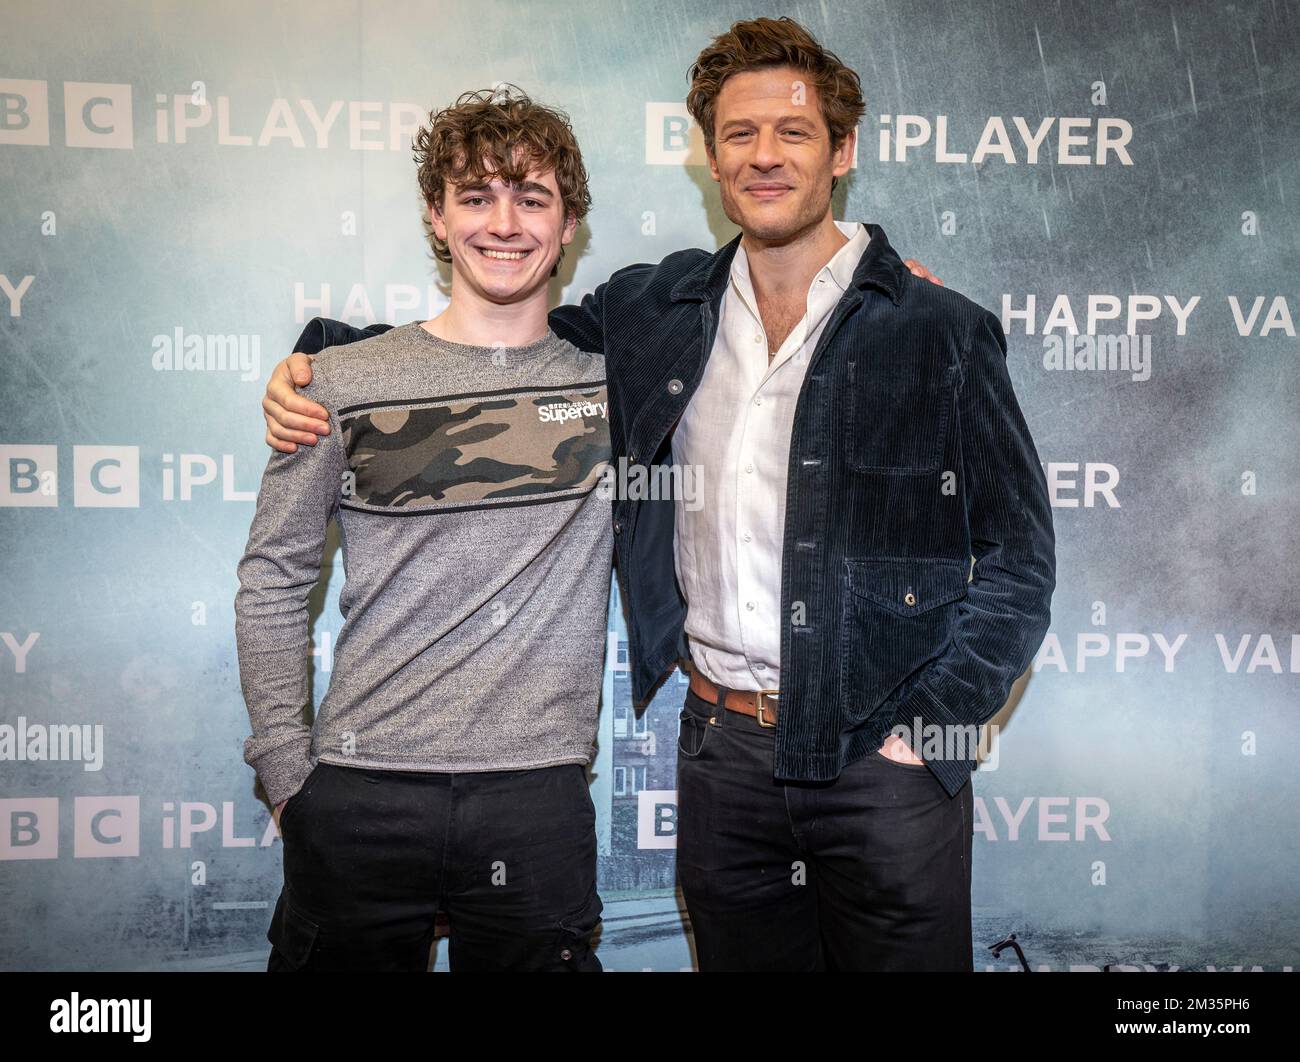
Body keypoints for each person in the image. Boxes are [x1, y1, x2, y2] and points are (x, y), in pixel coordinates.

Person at [264, 17, 1042, 972]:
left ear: (842, 151)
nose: (765, 156)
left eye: (793, 133)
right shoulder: (656, 312)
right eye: (740, 135)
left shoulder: (941, 330)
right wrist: (321, 356)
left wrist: (929, 734)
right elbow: (489, 346)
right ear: (710, 157)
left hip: (880, 764)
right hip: (722, 761)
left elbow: (1019, 562)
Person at [235, 86, 610, 972]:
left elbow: (762, 308)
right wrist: (289, 774)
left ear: (568, 225)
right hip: (360, 790)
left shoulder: (616, 383)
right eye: (476, 197)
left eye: (533, 198)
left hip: (538, 794)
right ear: (437, 219)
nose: (504, 224)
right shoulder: (337, 380)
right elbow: (275, 577)